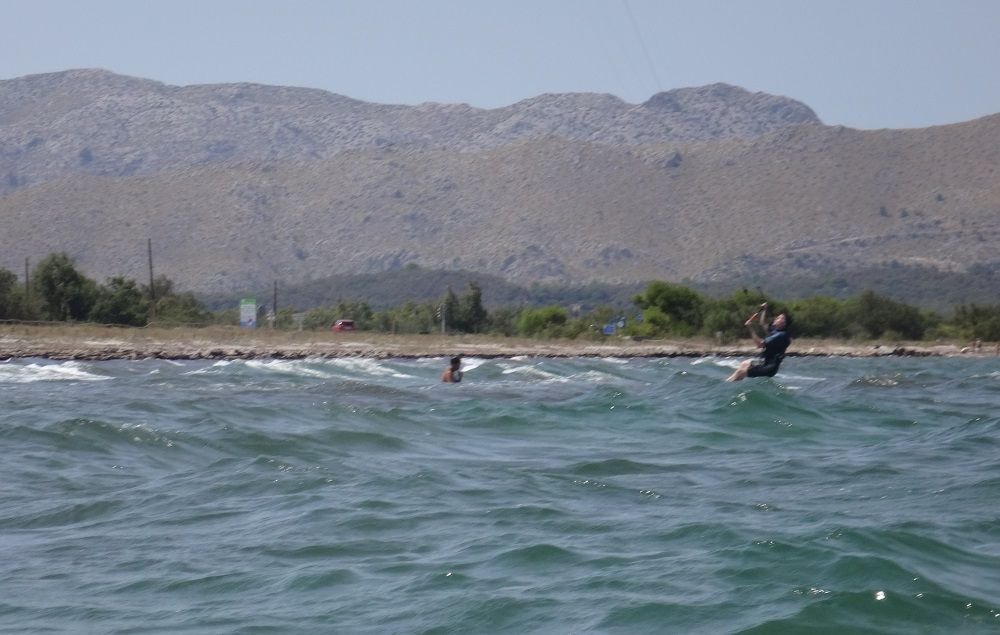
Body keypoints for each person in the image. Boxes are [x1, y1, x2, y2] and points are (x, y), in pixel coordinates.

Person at [727, 303, 791, 382]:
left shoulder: (781, 335)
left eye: (779, 318)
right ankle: (728, 382)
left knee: (741, 372)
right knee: (744, 364)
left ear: (784, 323)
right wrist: (764, 310)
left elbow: (759, 345)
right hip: (764, 363)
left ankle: (729, 384)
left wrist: (750, 328)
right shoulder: (775, 331)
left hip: (769, 368)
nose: (776, 318)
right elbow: (762, 323)